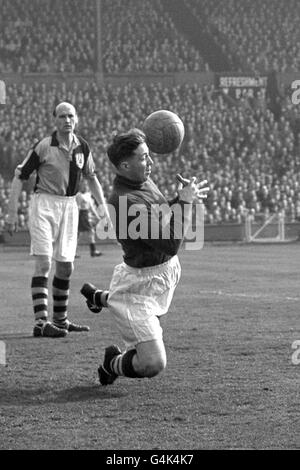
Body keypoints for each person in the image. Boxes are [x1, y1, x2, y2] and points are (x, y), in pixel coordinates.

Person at [81, 128, 209, 385]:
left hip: (165, 272)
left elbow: (158, 214)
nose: (150, 162)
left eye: (149, 155)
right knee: (152, 363)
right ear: (124, 165)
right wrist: (184, 203)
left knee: (148, 323)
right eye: (143, 158)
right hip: (138, 285)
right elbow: (171, 242)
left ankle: (99, 297)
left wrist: (178, 199)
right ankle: (111, 363)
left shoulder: (142, 181)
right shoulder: (125, 201)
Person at [7, 102, 111, 338]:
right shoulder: (44, 146)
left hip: (70, 205)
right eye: (62, 116)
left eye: (71, 116)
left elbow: (92, 178)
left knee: (66, 266)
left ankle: (60, 321)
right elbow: (19, 176)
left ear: (77, 119)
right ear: (54, 119)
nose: (67, 120)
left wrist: (103, 207)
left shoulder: (83, 147)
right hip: (44, 204)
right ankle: (41, 323)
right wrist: (11, 213)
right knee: (44, 263)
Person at [76, 178, 102, 258]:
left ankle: (92, 251)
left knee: (79, 234)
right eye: (84, 185)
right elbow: (77, 207)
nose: (85, 186)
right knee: (89, 232)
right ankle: (93, 251)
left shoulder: (88, 195)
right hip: (82, 215)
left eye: (86, 185)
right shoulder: (79, 195)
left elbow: (91, 207)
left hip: (86, 214)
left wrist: (97, 216)